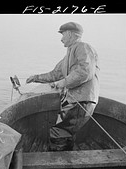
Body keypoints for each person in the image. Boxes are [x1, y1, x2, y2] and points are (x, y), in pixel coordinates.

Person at [26, 22, 100, 151]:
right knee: (64, 132)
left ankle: (58, 160)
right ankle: (67, 155)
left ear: (70, 34)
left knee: (59, 132)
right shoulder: (69, 54)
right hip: (74, 101)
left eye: (63, 35)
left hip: (82, 100)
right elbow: (56, 74)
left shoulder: (83, 47)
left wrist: (61, 83)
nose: (61, 39)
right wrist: (36, 77)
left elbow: (84, 72)